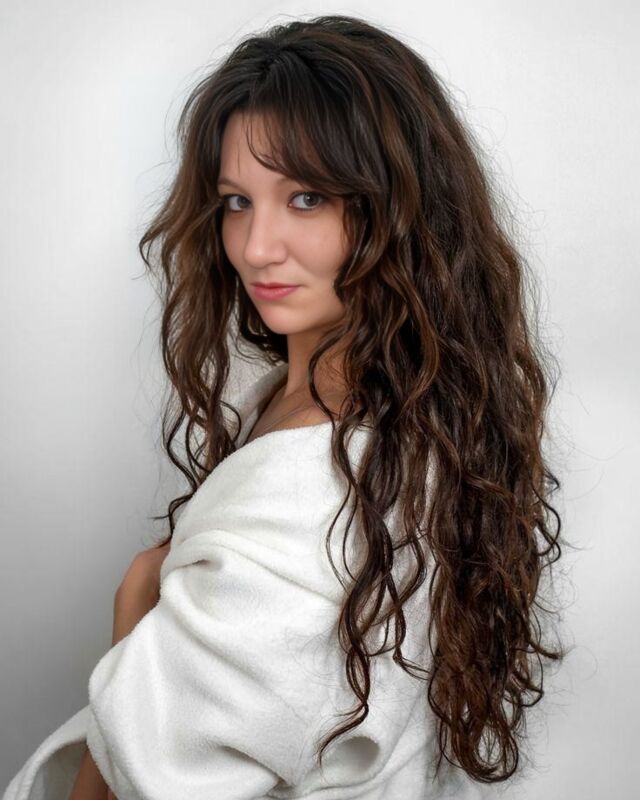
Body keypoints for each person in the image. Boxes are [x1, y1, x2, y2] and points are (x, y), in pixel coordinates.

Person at [3, 13, 565, 800]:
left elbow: (156, 776)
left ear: (397, 211)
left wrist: (134, 619)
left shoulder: (313, 488)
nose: (256, 246)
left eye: (306, 198)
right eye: (236, 201)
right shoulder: (359, 409)